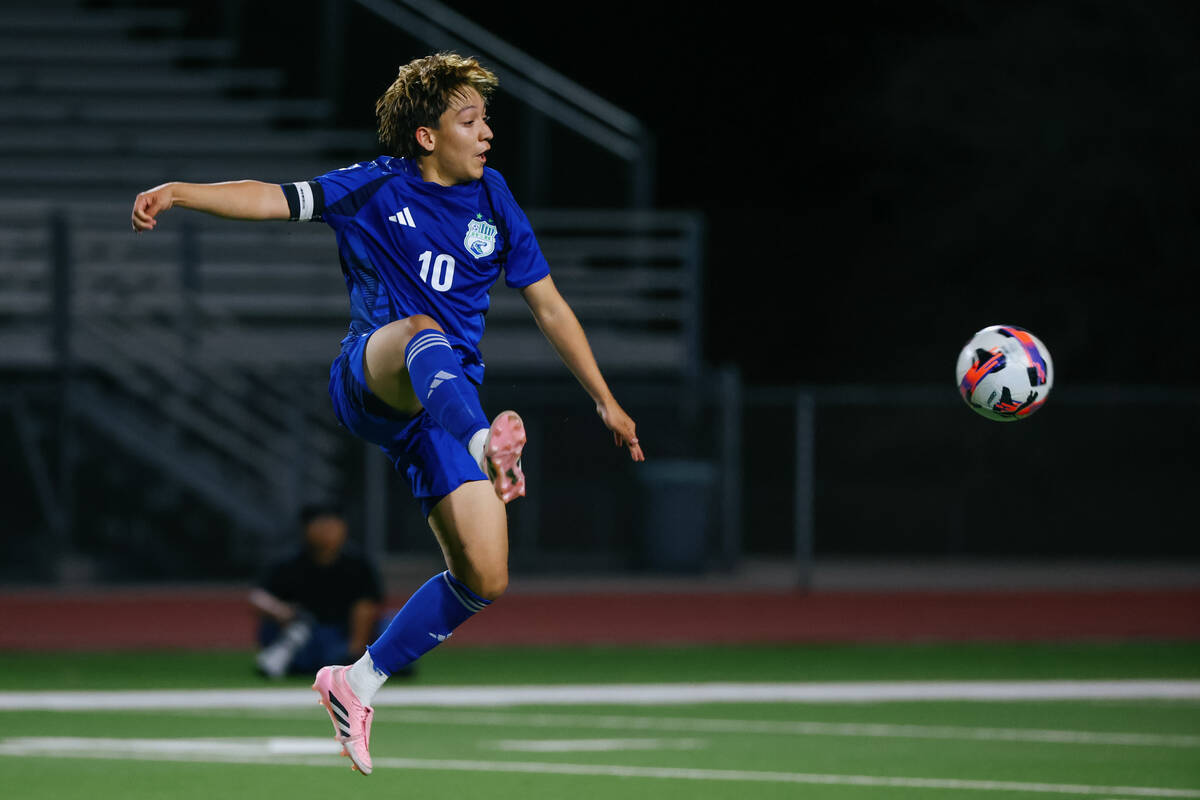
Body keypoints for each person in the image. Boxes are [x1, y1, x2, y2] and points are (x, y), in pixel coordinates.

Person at [130, 51, 644, 775]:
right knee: (421, 331)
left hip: (443, 402)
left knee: (486, 577)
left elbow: (550, 305)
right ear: (428, 136)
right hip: (375, 375)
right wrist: (181, 191)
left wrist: (606, 398)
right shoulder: (374, 186)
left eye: (487, 118)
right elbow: (271, 196)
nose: (488, 132)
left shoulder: (495, 198)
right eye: (471, 120)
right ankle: (483, 443)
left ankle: (356, 682)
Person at [250, 503, 389, 680]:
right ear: (306, 529)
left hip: (343, 634)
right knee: (287, 631)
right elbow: (258, 597)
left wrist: (354, 650)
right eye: (323, 525)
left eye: (334, 525)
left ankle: (348, 662)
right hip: (306, 634)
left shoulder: (359, 564)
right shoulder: (287, 563)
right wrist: (281, 611)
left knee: (391, 626)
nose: (329, 531)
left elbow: (366, 607)